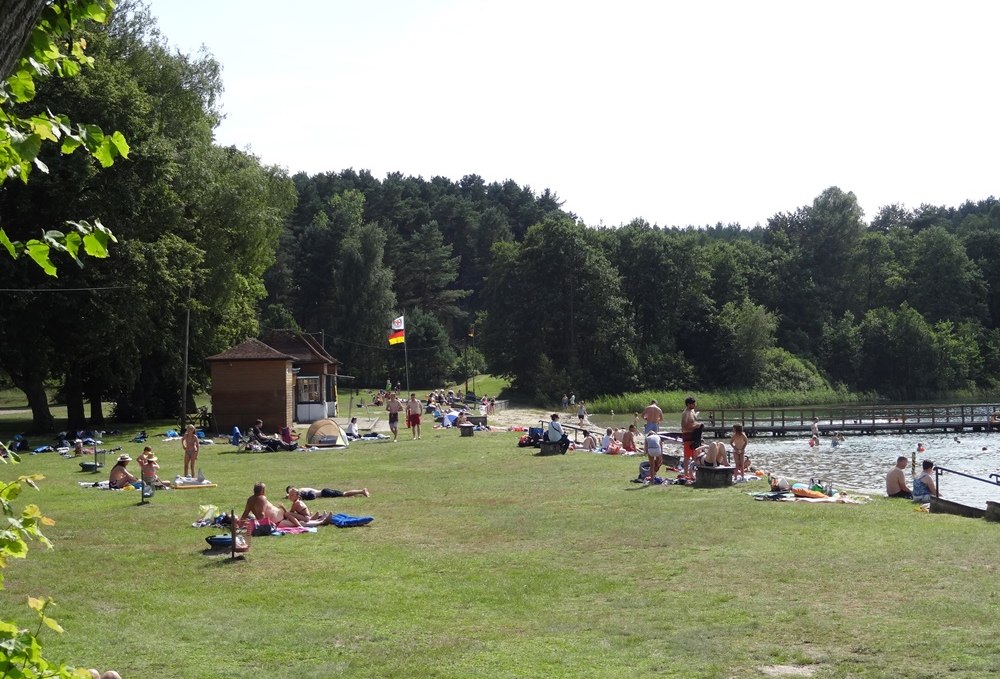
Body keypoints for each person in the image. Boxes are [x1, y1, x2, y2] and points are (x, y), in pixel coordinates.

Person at [681, 396, 703, 475]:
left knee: (696, 454)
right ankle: (686, 473)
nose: (694, 405)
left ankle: (694, 472)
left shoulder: (692, 411)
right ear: (688, 404)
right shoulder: (685, 413)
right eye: (693, 404)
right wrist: (695, 426)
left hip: (695, 436)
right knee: (687, 456)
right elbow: (684, 426)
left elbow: (693, 421)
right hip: (688, 436)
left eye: (694, 403)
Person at [286, 485, 370, 500]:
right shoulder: (301, 490)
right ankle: (360, 492)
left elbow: (311, 495)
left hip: (325, 492)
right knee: (344, 494)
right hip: (324, 492)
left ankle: (362, 491)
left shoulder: (301, 491)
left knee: (344, 494)